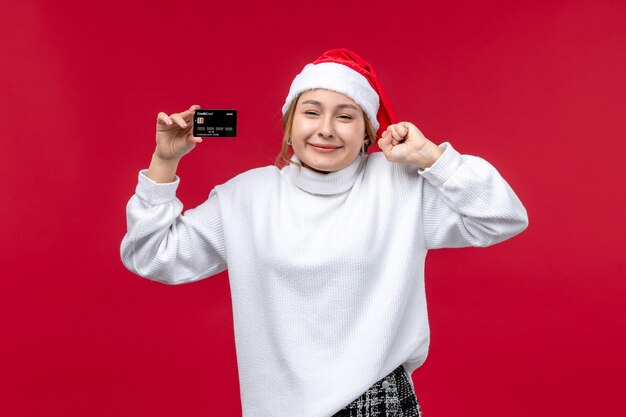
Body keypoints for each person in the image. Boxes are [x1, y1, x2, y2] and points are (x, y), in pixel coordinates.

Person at [120, 48, 528, 417]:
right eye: (311, 112)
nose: (326, 129)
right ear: (290, 121)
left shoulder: (400, 186)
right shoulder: (245, 197)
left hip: (378, 403)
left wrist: (431, 157)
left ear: (368, 130)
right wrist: (164, 161)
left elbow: (503, 216)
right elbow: (153, 254)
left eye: (345, 116)